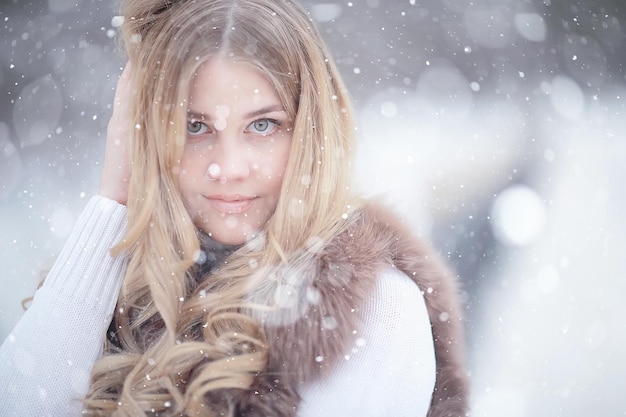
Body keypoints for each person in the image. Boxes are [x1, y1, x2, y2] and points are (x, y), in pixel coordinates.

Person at [0, 0, 469, 415]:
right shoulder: (128, 283)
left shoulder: (376, 310)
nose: (228, 167)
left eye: (263, 125)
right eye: (196, 127)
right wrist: (117, 196)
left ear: (311, 132)